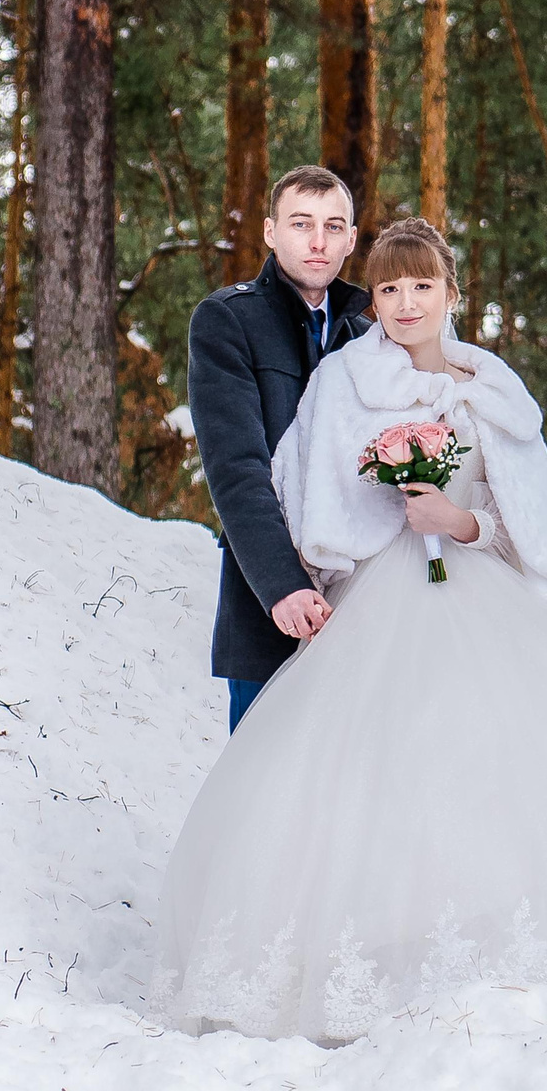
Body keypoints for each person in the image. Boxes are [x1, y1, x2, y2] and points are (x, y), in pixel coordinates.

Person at [156, 218, 547, 1044]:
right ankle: (376, 958)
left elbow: (530, 531)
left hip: (482, 599)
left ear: (453, 293)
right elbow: (302, 492)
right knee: (378, 776)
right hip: (376, 600)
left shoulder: (490, 388)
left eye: (422, 286)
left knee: (496, 769)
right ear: (370, 299)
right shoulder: (342, 382)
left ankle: (502, 951)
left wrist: (461, 520)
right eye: (386, 288)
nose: (404, 303)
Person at [185, 166, 371, 732]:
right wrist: (282, 584)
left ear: (352, 239)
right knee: (261, 791)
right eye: (301, 224)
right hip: (271, 604)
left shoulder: (368, 338)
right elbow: (236, 469)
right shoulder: (228, 320)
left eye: (333, 226)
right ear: (270, 232)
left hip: (360, 601)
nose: (319, 241)